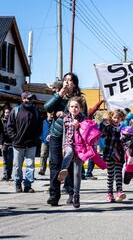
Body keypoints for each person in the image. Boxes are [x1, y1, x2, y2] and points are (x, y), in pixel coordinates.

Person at [44, 73, 86, 206]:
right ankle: (54, 195)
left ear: (75, 83)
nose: (67, 82)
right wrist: (60, 94)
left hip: (73, 135)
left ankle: (71, 193)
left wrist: (68, 114)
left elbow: (85, 115)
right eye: (65, 80)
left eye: (70, 80)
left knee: (72, 165)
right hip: (57, 134)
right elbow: (47, 107)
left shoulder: (80, 99)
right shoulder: (59, 95)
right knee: (55, 164)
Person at [7, 91, 42, 193]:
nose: (29, 100)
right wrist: (14, 137)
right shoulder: (16, 110)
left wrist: (36, 138)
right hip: (18, 144)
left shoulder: (36, 111)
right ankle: (18, 183)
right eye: (26, 98)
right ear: (22, 99)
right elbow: (10, 126)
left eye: (30, 99)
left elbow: (40, 126)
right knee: (17, 166)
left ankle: (28, 185)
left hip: (31, 144)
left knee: (30, 166)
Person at [57, 96, 86, 208]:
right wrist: (63, 147)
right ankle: (63, 170)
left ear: (80, 109)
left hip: (79, 147)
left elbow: (87, 132)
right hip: (68, 145)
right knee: (68, 153)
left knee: (77, 173)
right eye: (72, 106)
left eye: (76, 107)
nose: (74, 109)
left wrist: (79, 126)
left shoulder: (83, 119)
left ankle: (76, 196)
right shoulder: (66, 119)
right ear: (68, 108)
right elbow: (64, 133)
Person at [100, 109, 127, 203]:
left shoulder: (123, 128)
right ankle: (109, 193)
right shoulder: (108, 127)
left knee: (119, 173)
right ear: (111, 118)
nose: (116, 119)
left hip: (119, 154)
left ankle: (119, 191)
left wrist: (126, 136)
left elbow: (127, 139)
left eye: (118, 118)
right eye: (114, 117)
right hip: (109, 154)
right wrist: (104, 121)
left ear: (121, 119)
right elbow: (102, 132)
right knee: (110, 174)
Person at [1, 107, 13, 181]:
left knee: (10, 161)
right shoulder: (2, 122)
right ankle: (5, 175)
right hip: (4, 144)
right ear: (4, 113)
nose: (7, 114)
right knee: (5, 161)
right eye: (6, 112)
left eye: (8, 112)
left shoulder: (13, 121)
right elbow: (1, 133)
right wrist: (1, 143)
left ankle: (9, 175)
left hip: (12, 144)